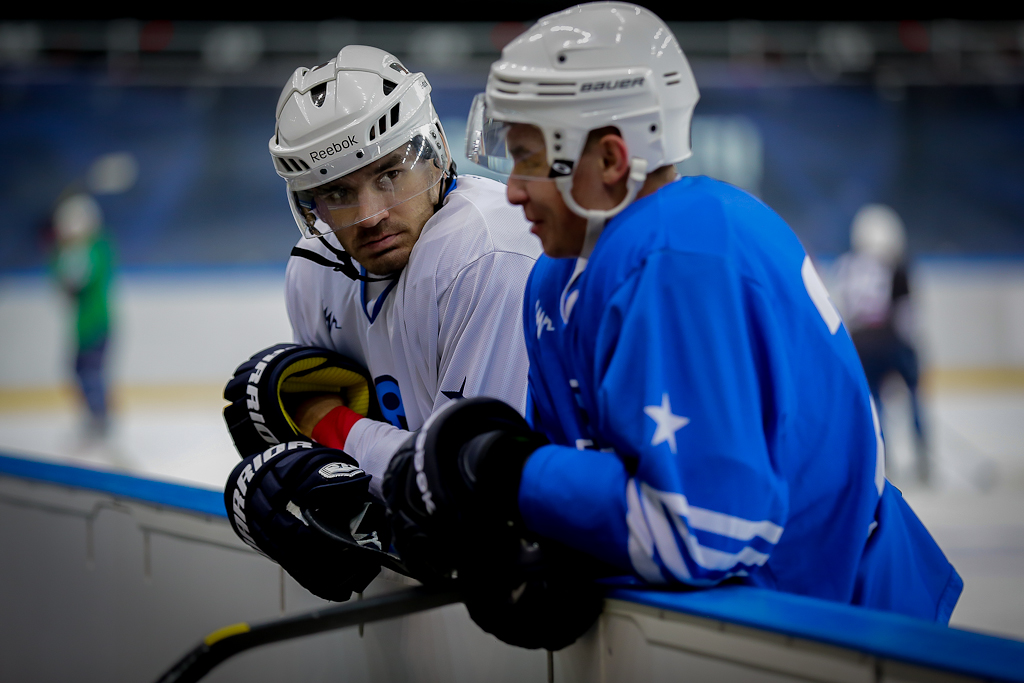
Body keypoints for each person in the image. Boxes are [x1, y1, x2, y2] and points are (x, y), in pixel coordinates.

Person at [385, 1, 962, 635]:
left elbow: (701, 533)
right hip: (778, 622)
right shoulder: (557, 274)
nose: (511, 188)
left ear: (610, 160)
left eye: (528, 158)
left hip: (842, 629)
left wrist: (509, 472)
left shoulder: (681, 253)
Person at [221, 46, 540, 607]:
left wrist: (329, 424)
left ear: (438, 152)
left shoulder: (490, 250)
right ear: (310, 203)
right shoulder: (313, 272)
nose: (369, 215)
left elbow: (467, 490)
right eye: (338, 193)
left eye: (390, 175)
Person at [832, 204, 929, 484]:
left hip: (862, 345)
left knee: (877, 406)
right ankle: (922, 458)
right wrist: (911, 352)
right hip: (892, 342)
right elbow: (907, 316)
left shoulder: (846, 265)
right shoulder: (897, 266)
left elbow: (845, 311)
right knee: (913, 398)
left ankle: (885, 463)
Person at [50, 192, 115, 447]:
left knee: (91, 373)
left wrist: (66, 248)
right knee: (81, 371)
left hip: (96, 325)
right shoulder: (75, 252)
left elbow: (77, 279)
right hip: (84, 327)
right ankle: (95, 419)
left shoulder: (96, 248)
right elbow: (61, 279)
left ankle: (99, 421)